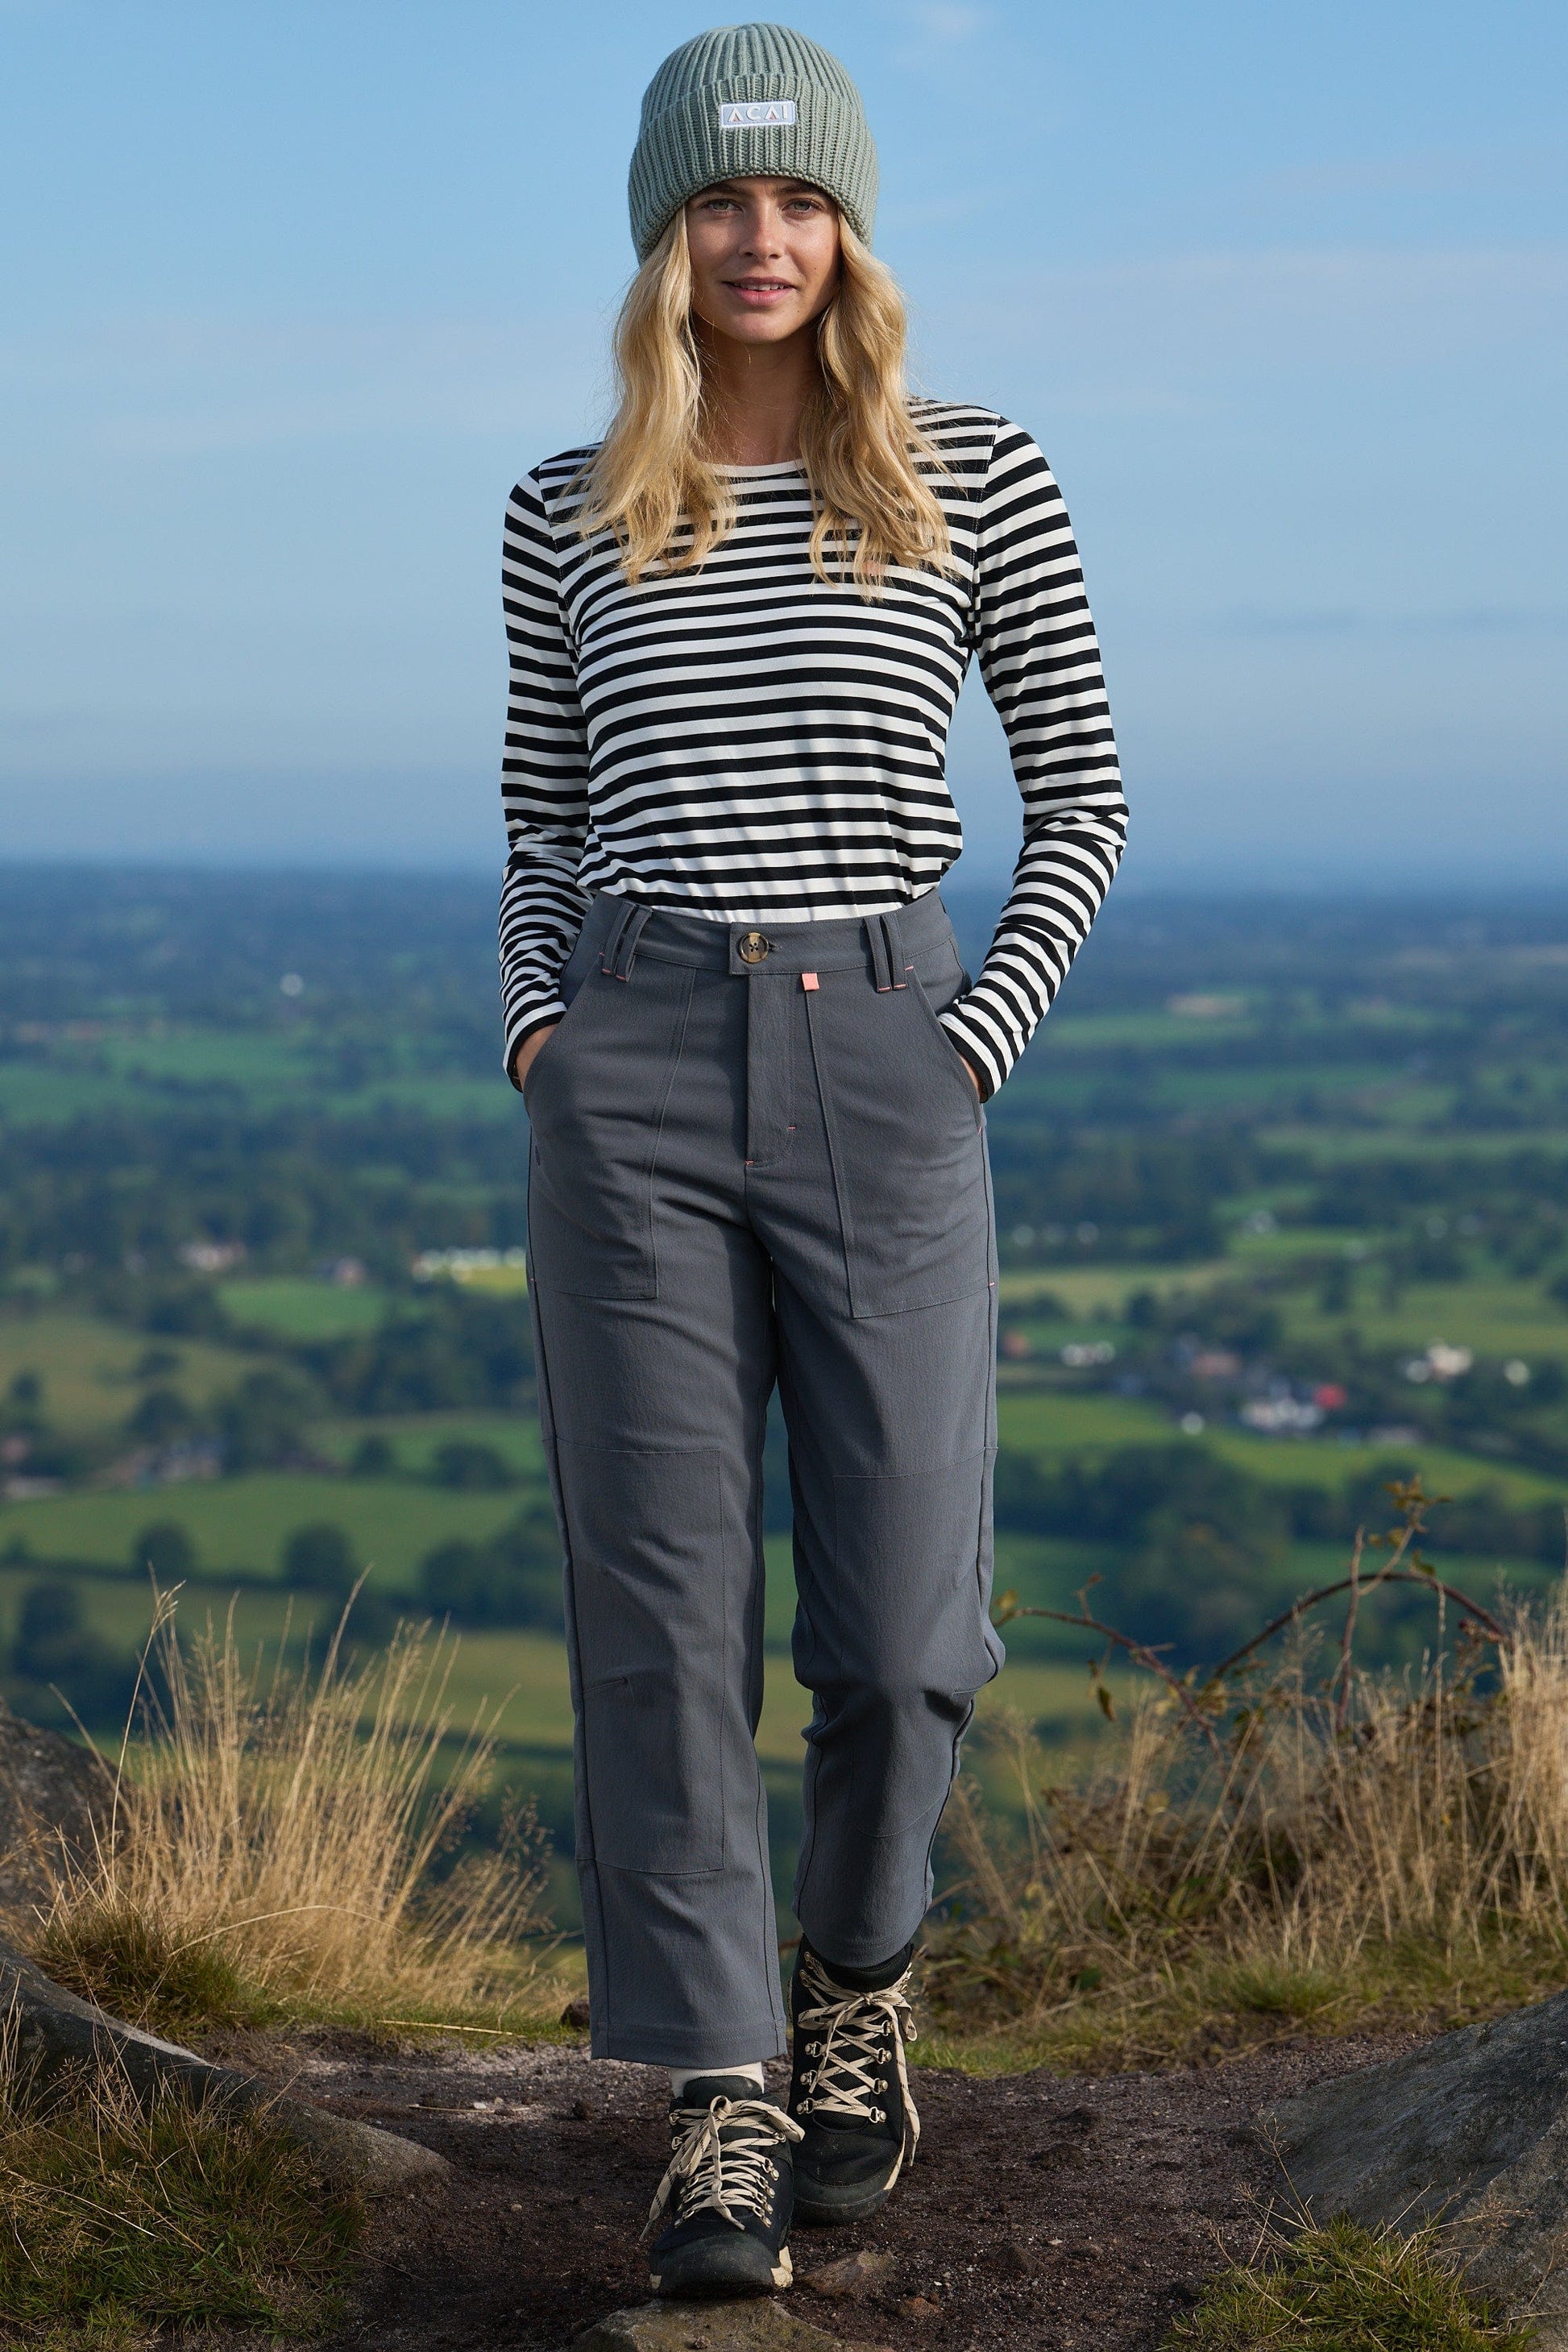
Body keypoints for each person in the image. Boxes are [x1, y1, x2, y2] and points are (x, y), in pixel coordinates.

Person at [497, 21, 1126, 2300]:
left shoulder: (975, 473)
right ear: (662, 237)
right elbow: (540, 824)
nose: (760, 240)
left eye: (798, 202)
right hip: (634, 1072)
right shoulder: (560, 506)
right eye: (717, 204)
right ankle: (718, 2100)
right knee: (660, 1620)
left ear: (850, 232)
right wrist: (541, 1033)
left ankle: (859, 1982)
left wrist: (964, 1040)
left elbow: (1082, 795)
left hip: (886, 1054)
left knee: (899, 1633)